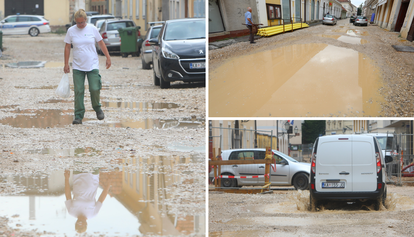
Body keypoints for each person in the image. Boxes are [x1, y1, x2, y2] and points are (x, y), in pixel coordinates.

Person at [63, 9, 111, 125]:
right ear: (75, 22)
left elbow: (101, 43)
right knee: (79, 91)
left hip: (92, 64)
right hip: (78, 66)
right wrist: (66, 63)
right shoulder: (71, 31)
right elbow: (67, 47)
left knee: (94, 88)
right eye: (78, 23)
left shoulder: (92, 29)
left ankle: (97, 108)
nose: (80, 25)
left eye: (82, 22)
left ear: (86, 20)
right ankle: (78, 116)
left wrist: (108, 57)